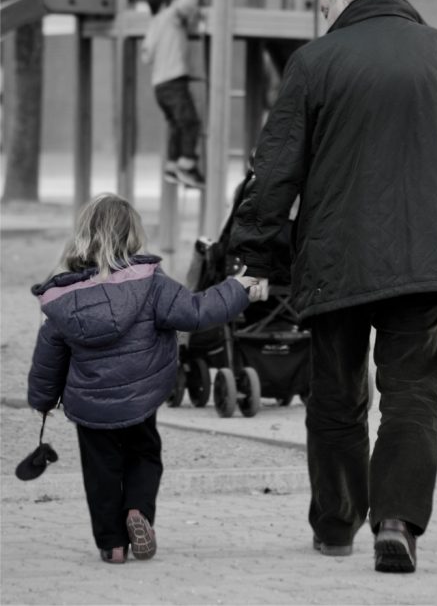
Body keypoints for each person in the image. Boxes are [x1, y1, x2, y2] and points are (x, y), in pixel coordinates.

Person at [228, 0, 437, 573]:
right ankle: (397, 523)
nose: (322, 16)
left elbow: (275, 171)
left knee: (334, 395)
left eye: (323, 4)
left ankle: (335, 527)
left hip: (337, 259)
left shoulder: (314, 62)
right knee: (414, 395)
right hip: (430, 261)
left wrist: (251, 256)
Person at [27, 193, 261, 564]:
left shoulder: (63, 295)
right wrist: (237, 288)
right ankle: (138, 511)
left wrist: (42, 400)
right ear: (133, 236)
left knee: (100, 471)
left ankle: (112, 545)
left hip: (90, 405)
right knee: (144, 455)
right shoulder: (152, 282)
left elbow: (48, 356)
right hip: (140, 397)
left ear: (83, 236)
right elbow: (197, 312)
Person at [142, 0, 209, 188]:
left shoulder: (153, 25)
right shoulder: (170, 16)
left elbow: (146, 55)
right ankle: (187, 165)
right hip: (174, 82)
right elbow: (186, 4)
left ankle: (171, 166)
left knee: (176, 125)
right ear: (165, 4)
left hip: (159, 86)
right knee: (190, 123)